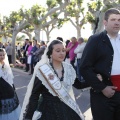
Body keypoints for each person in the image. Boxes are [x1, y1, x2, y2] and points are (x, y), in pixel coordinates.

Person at [19, 40, 85, 120]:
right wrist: (28, 117)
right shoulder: (43, 71)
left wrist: (95, 80)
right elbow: (34, 96)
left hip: (67, 109)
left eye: (63, 50)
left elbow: (78, 84)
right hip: (48, 112)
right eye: (58, 51)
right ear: (50, 53)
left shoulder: (69, 69)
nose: (62, 53)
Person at [80, 8, 120, 120]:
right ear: (105, 22)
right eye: (113, 19)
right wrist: (102, 88)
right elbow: (84, 67)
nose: (117, 22)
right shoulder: (95, 40)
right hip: (103, 95)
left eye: (119, 20)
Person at [0, 48, 21, 120]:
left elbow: (9, 76)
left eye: (3, 55)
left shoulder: (5, 64)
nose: (2, 56)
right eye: (0, 55)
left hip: (8, 87)